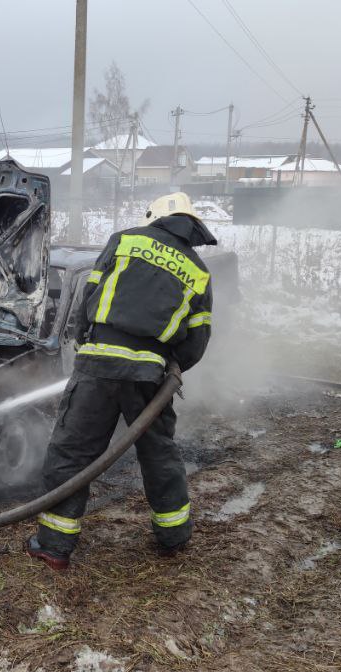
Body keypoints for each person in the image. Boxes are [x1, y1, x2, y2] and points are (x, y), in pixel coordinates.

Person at [25, 192, 216, 570]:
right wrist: (171, 365)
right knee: (159, 455)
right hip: (150, 375)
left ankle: (54, 547)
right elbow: (197, 339)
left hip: (98, 364)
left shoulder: (126, 240)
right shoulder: (198, 270)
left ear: (155, 218)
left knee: (73, 453)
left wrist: (85, 342)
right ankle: (174, 537)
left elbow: (89, 294)